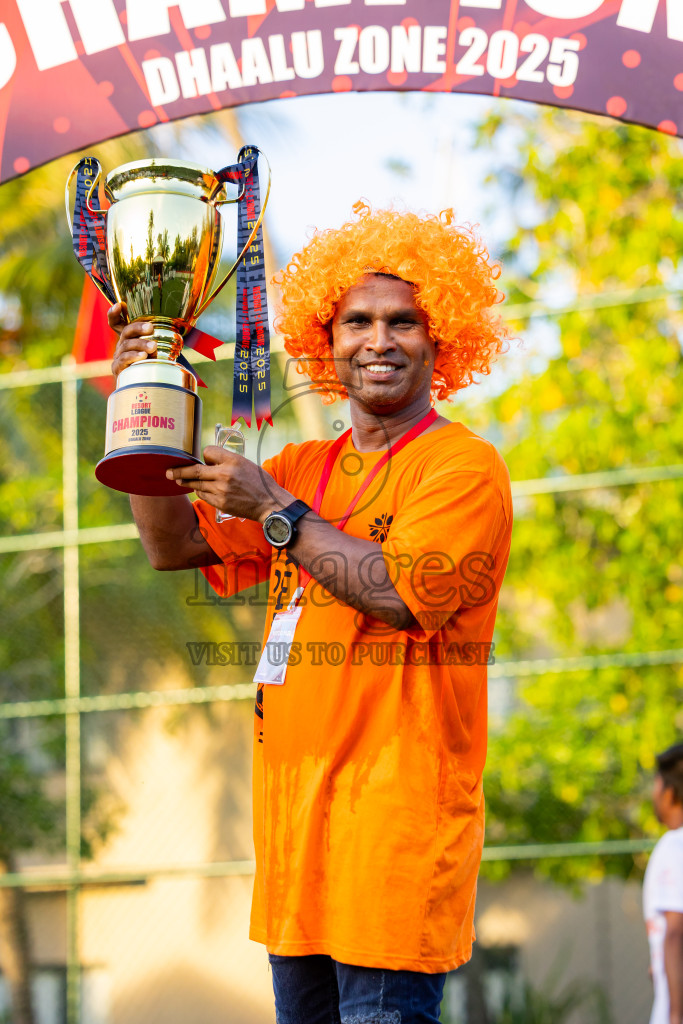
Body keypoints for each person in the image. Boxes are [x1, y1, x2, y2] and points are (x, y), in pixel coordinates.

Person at [108, 203, 513, 1024]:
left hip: (392, 849)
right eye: (355, 320)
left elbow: (402, 594)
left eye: (403, 321)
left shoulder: (462, 467)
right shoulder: (301, 466)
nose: (378, 340)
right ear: (324, 342)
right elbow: (173, 546)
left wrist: (277, 512)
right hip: (299, 852)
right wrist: (145, 394)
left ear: (442, 341)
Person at [644, 741, 683, 1024]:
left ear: (669, 794)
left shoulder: (674, 845)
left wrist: (675, 1014)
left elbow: (676, 932)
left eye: (655, 786)